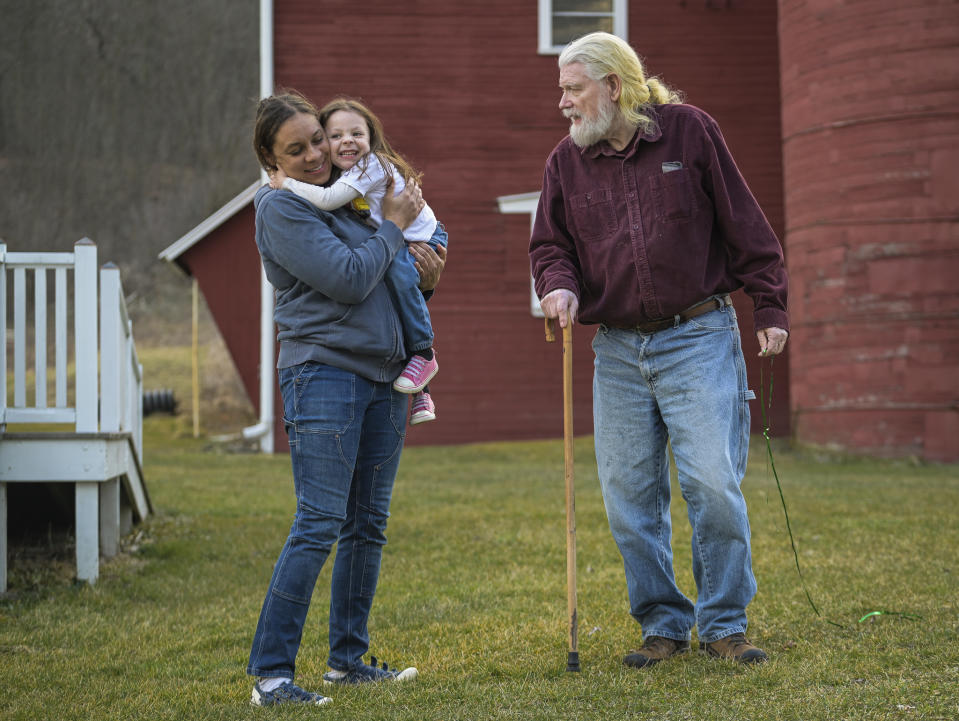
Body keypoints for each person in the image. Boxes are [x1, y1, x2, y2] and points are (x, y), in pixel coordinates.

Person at [529, 32, 789, 669]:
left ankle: (724, 623)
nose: (561, 101)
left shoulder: (690, 132)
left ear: (613, 86)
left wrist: (770, 306)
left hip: (698, 334)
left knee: (712, 484)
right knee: (628, 497)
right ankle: (663, 625)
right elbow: (549, 247)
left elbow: (745, 223)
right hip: (616, 349)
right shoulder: (565, 162)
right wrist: (557, 287)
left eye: (572, 87)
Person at [246, 90, 448, 707]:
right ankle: (273, 674)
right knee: (319, 523)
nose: (315, 156)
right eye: (296, 149)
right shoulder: (281, 208)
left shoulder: (354, 195)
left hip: (386, 378)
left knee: (367, 525)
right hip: (325, 374)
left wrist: (425, 271)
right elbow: (350, 276)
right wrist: (390, 226)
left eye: (317, 140)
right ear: (270, 158)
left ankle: (348, 661)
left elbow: (392, 272)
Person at [270, 97, 443, 425]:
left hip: (422, 237)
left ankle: (423, 352)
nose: (346, 140)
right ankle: (423, 392)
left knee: (395, 272)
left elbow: (328, 200)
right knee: (395, 280)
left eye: (356, 133)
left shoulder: (370, 166)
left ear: (371, 137)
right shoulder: (344, 176)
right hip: (402, 238)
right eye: (335, 136)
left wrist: (287, 183)